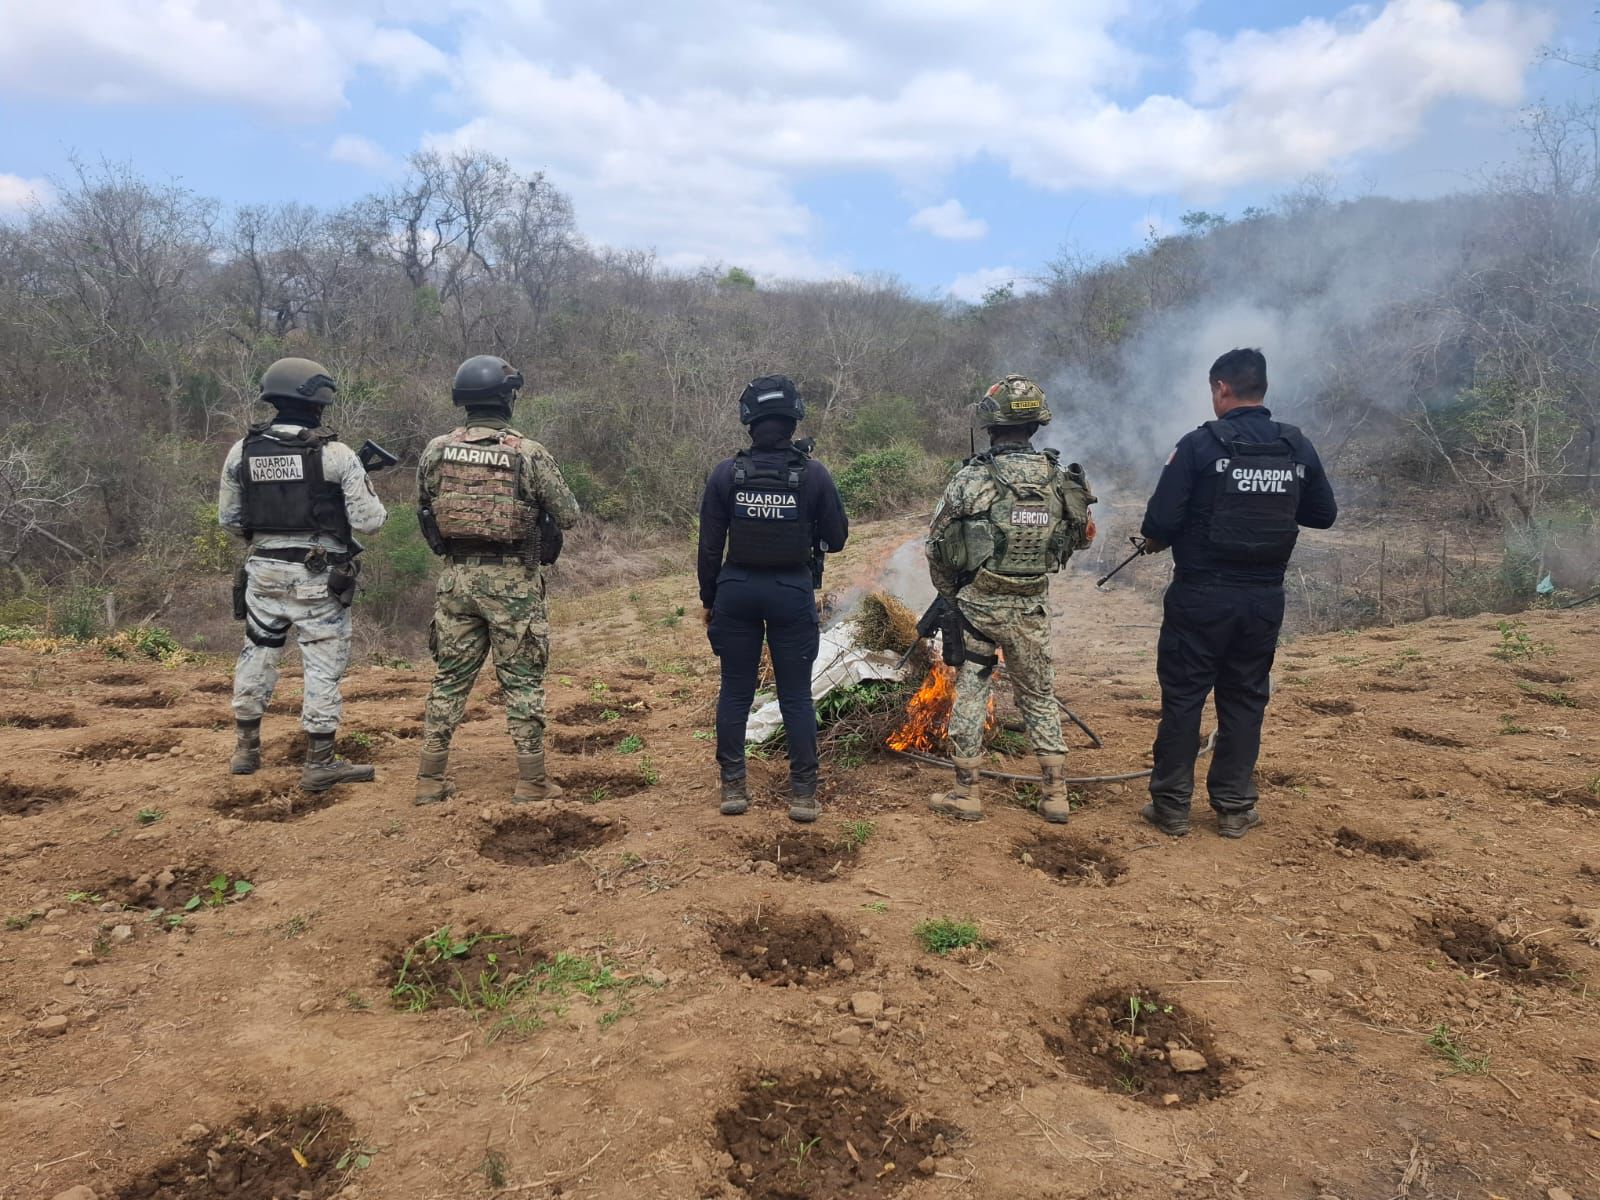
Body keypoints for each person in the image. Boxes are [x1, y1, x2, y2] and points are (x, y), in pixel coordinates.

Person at [1138, 347, 1337, 839]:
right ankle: (1233, 807)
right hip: (1264, 599)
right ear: (1261, 388)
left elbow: (1160, 523)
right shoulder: (1295, 445)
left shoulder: (1200, 446)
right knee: (1246, 698)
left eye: (1212, 391)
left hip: (1201, 597)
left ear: (1221, 389)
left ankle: (1171, 807)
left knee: (1185, 698)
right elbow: (1322, 514)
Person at [924, 374, 1096, 823]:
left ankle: (966, 793)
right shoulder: (1060, 478)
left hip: (979, 607)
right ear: (1036, 427)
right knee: (1038, 693)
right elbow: (1079, 540)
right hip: (1031, 607)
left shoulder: (971, 478)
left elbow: (936, 546)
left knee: (973, 690)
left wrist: (952, 594)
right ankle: (1056, 794)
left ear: (990, 425)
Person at [413, 356, 580, 806]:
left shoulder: (436, 450)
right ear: (507, 398)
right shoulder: (527, 452)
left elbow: (425, 506)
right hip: (514, 586)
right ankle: (531, 781)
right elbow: (568, 514)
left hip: (457, 581)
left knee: (449, 677)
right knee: (522, 681)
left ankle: (429, 779)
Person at [220, 357, 389, 790]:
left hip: (262, 572)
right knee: (321, 663)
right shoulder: (335, 454)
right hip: (317, 576)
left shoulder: (243, 450)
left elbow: (230, 519)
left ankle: (246, 750)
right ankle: (320, 760)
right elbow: (369, 521)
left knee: (257, 652)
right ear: (319, 403)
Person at [698, 375, 849, 823]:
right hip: (790, 591)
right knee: (796, 696)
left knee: (736, 690)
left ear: (749, 421)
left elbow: (709, 547)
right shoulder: (814, 474)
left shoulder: (727, 473)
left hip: (736, 591)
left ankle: (733, 789)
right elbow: (837, 539)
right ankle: (803, 795)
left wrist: (710, 599)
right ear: (793, 419)